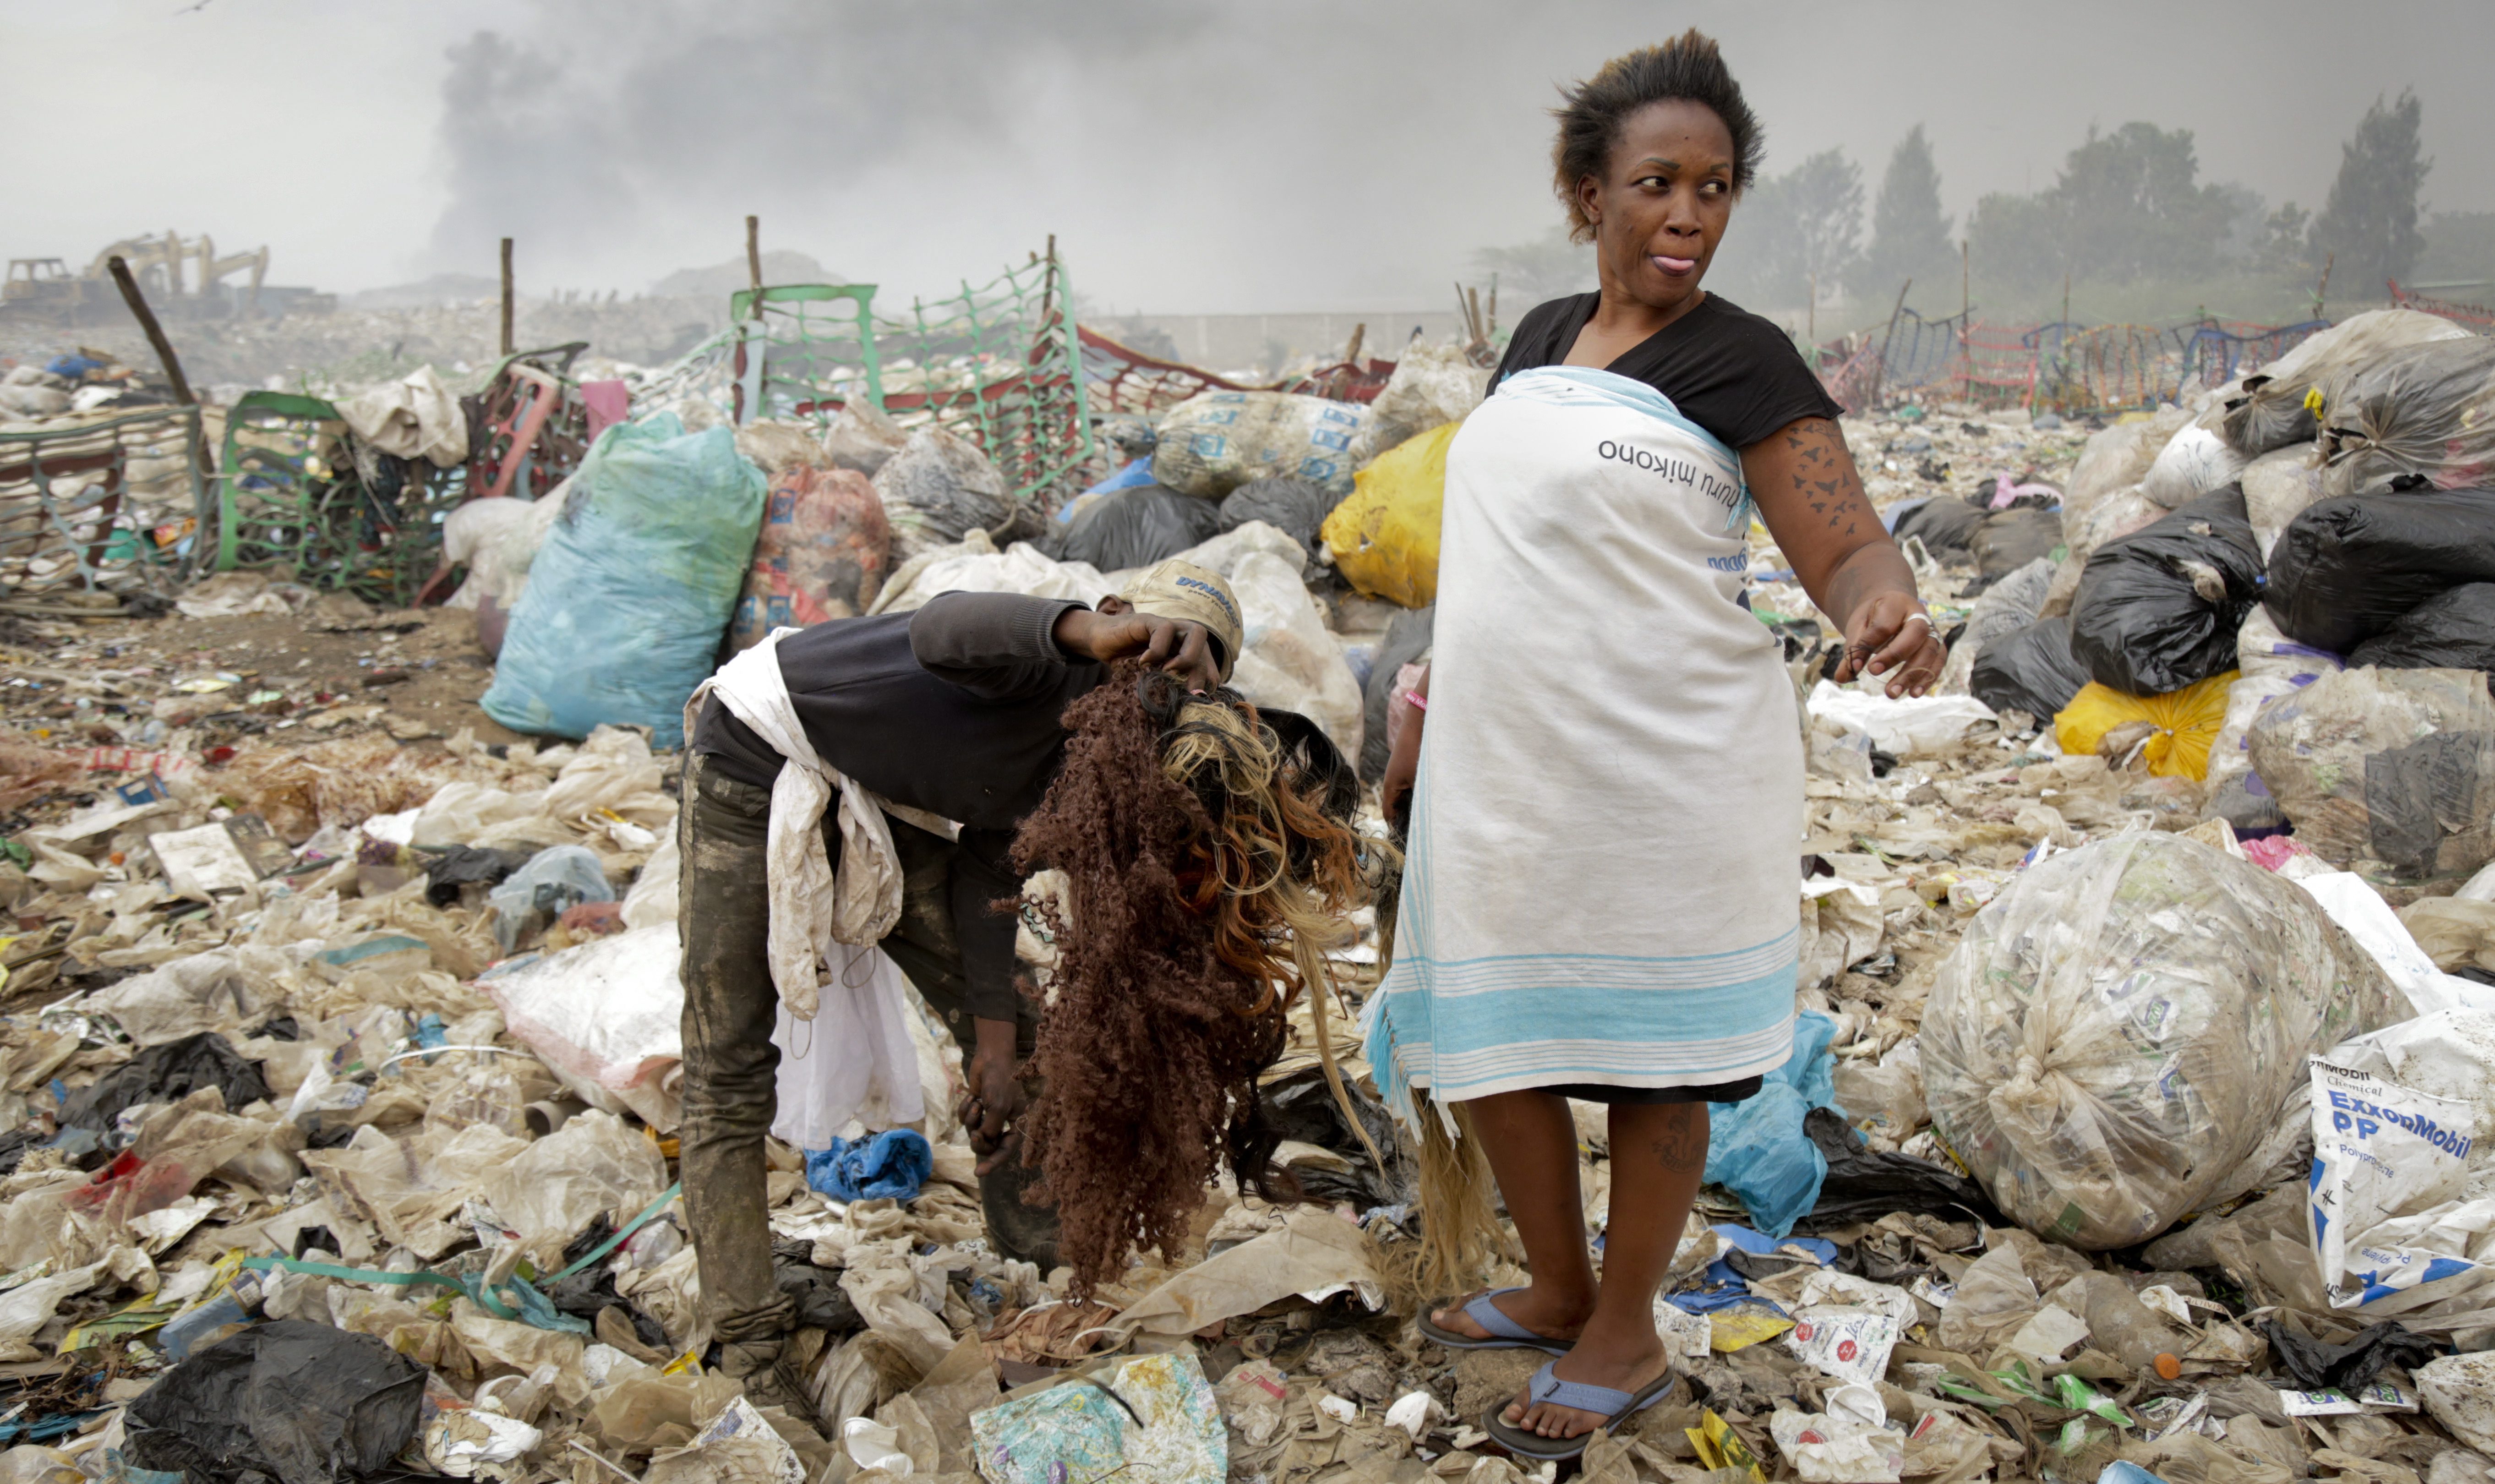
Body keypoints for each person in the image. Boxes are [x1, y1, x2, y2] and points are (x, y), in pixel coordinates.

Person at [1365, 31, 1948, 1459]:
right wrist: (1424, 715)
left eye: (1716, 188)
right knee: (1495, 1039)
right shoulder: (1539, 340)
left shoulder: (1743, 359)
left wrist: (1890, 609)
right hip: (1507, 765)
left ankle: (1624, 1327)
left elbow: (1848, 543)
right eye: (1658, 184)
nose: (1689, 214)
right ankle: (1557, 1282)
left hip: (1663, 763)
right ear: (1588, 194)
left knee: (1653, 1059)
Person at [676, 560, 1242, 1413]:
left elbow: (992, 860)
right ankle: (750, 1344)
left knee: (1030, 1036)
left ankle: (1049, 1267)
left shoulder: (1102, 763)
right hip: (754, 755)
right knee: (727, 1068)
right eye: (1157, 658)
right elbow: (942, 628)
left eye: (1195, 683)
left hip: (867, 798)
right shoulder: (1048, 657)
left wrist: (994, 1044)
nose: (1161, 692)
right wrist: (1085, 631)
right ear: (1123, 623)